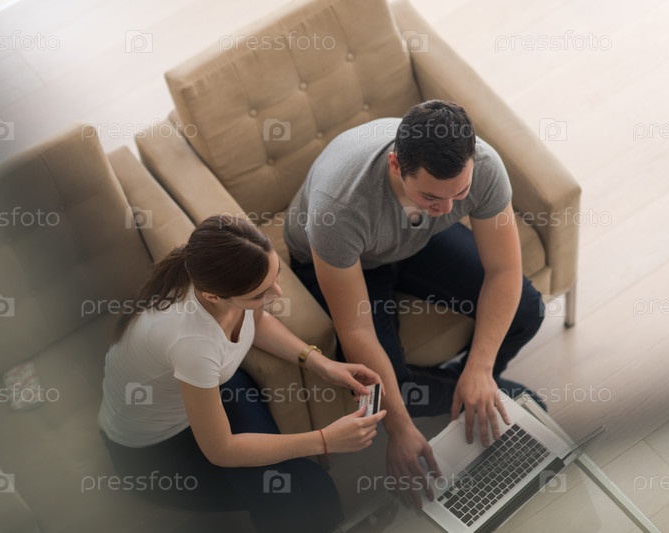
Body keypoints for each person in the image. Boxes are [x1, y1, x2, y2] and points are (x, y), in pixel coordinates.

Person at [284, 99, 546, 509]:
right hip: (350, 261)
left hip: (417, 241)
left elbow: (504, 271)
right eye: (431, 196)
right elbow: (356, 330)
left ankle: (476, 387)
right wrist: (400, 428)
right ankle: (483, 398)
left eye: (460, 193)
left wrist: (480, 368)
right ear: (395, 165)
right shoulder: (339, 206)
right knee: (391, 393)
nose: (448, 208)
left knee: (528, 311)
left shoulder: (483, 166)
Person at [98, 214, 386, 533]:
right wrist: (324, 440)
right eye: (260, 294)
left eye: (275, 278)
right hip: (155, 449)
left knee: (316, 486)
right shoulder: (191, 341)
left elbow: (256, 321)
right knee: (282, 499)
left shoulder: (218, 273)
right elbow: (221, 449)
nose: (276, 294)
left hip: (212, 386)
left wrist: (321, 363)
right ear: (213, 297)